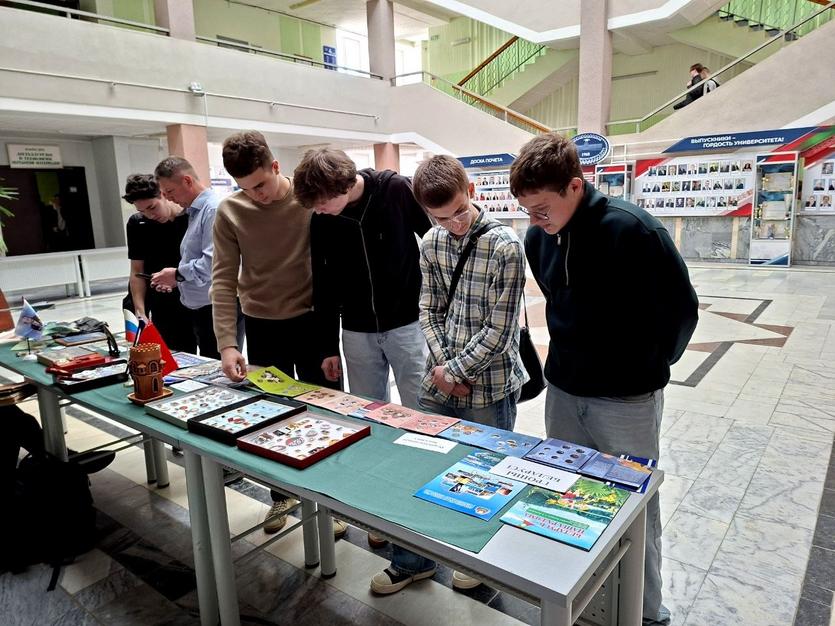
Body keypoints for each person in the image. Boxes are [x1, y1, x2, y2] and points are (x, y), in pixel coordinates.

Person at [512, 132, 698, 626]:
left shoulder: (633, 231)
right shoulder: (538, 239)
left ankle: (645, 611)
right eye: (528, 210)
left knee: (636, 509)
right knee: (569, 496)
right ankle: (585, 601)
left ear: (576, 185)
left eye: (542, 208)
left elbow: (680, 311)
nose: (535, 221)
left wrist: (646, 368)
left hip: (627, 399)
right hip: (566, 393)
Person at [370, 155, 528, 596]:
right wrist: (442, 369)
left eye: (459, 210)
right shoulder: (433, 243)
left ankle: (479, 560)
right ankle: (412, 561)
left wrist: (457, 370)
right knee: (421, 468)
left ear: (472, 191)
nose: (454, 223)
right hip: (437, 378)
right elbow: (428, 309)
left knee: (488, 474)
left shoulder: (505, 245)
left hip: (490, 383)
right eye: (441, 217)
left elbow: (501, 328)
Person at [212, 131, 342, 536]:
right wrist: (228, 344)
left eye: (262, 185)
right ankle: (282, 496)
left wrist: (330, 340)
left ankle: (330, 501)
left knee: (326, 412)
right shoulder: (230, 212)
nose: (257, 196)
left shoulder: (306, 201)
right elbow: (222, 280)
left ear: (275, 166)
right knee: (270, 417)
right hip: (263, 326)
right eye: (246, 188)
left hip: (310, 323)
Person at [292, 148, 431, 411]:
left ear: (341, 187)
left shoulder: (396, 190)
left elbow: (435, 242)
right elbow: (324, 283)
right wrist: (328, 346)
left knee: (421, 406)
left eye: (321, 203)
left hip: (407, 323)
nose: (319, 210)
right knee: (368, 411)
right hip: (356, 330)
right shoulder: (322, 220)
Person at [150, 157, 236, 360]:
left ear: (187, 181)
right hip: (200, 306)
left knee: (217, 367)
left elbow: (212, 263)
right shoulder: (193, 212)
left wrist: (177, 275)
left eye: (170, 191)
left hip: (214, 307)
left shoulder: (212, 209)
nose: (168, 198)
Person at [123, 174, 195, 352]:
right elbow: (137, 271)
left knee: (213, 361)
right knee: (175, 359)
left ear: (163, 194)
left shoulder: (189, 218)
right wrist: (140, 312)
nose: (150, 215)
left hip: (196, 298)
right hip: (163, 304)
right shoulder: (137, 223)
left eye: (152, 207)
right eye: (143, 211)